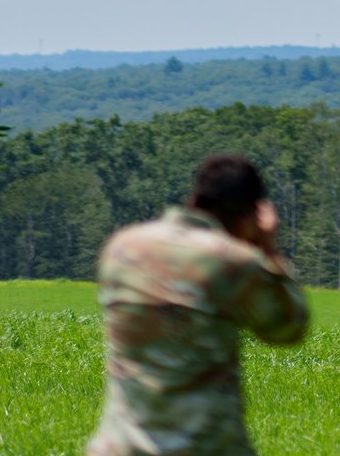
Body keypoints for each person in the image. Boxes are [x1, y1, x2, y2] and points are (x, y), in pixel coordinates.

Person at [87, 151, 310, 456]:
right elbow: (288, 328)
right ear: (252, 213)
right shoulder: (233, 262)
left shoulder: (122, 246)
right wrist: (269, 249)